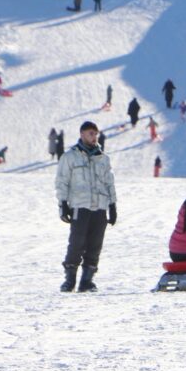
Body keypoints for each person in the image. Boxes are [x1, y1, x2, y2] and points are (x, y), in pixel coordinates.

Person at [56, 121, 117, 293]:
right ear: (82, 134)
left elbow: (109, 183)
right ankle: (70, 279)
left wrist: (112, 205)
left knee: (95, 244)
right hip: (80, 206)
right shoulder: (70, 157)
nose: (94, 137)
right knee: (76, 242)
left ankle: (87, 281)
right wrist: (63, 204)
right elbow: (62, 181)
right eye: (91, 133)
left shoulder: (103, 158)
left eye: (96, 133)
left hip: (100, 207)